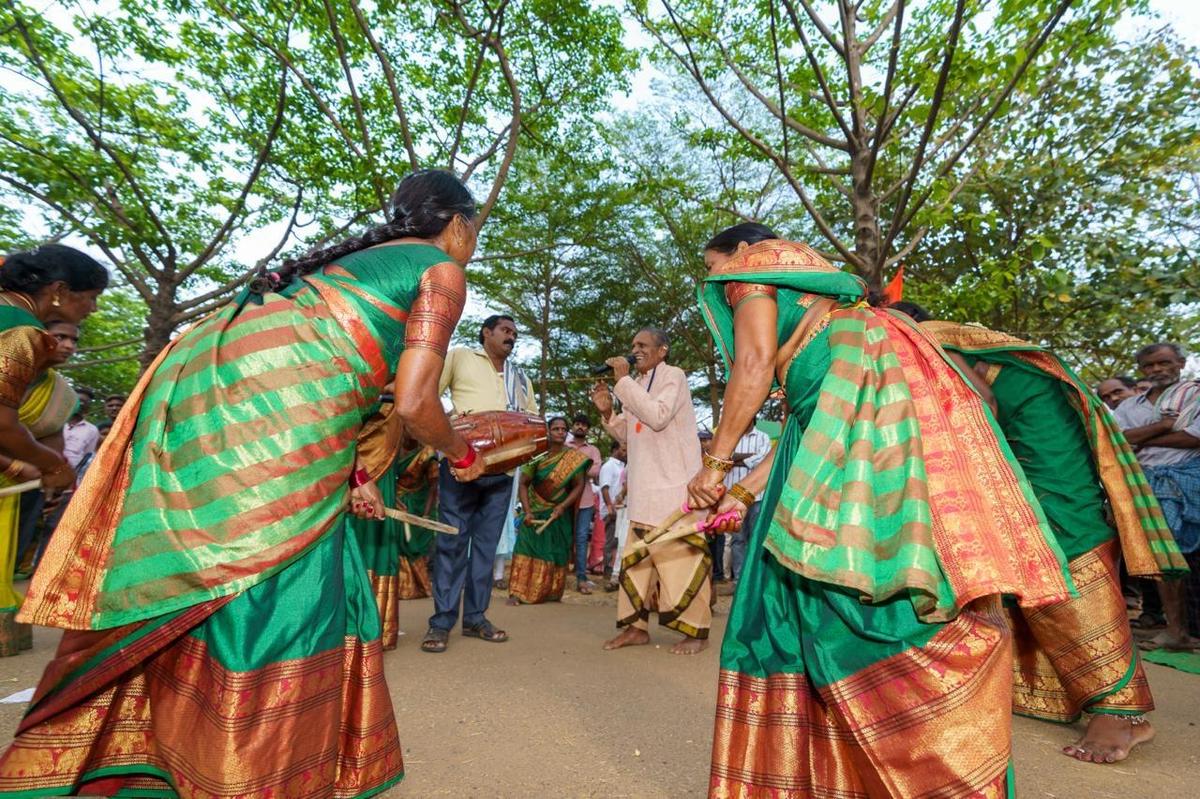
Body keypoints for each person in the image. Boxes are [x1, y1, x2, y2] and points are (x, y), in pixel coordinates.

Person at [0, 170, 486, 797]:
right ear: (458, 223)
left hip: (227, 418)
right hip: (287, 441)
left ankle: (154, 755)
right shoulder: (441, 270)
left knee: (204, 575)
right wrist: (463, 454)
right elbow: (417, 402)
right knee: (281, 583)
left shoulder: (341, 268)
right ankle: (254, 772)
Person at [692, 224, 1078, 797]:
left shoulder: (754, 271)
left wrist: (715, 463)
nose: (720, 280)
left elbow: (750, 368)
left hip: (852, 468)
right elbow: (811, 424)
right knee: (846, 608)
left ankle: (939, 764)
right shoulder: (846, 323)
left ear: (743, 252)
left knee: (830, 616)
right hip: (870, 452)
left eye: (716, 265)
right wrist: (743, 493)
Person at [909, 311, 1185, 763]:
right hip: (1032, 442)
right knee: (1024, 553)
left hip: (1041, 453)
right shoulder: (949, 335)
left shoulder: (923, 338)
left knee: (1060, 550)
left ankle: (1122, 713)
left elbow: (979, 405)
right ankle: (1051, 687)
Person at [0, 246, 102, 657]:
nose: (93, 308)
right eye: (90, 297)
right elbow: (2, 424)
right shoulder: (20, 332)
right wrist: (52, 465)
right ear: (59, 291)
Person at [592, 328, 710, 655]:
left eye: (643, 345)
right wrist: (607, 414)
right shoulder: (638, 384)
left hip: (674, 490)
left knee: (680, 562)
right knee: (636, 565)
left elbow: (657, 417)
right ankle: (635, 629)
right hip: (643, 491)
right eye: (632, 345)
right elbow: (631, 437)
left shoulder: (674, 376)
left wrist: (623, 382)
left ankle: (696, 633)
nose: (635, 350)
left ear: (663, 350)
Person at [427, 314, 537, 652]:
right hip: (461, 467)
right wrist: (450, 439)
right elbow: (430, 394)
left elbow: (531, 420)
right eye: (505, 330)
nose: (511, 337)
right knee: (451, 544)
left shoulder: (520, 378)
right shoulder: (460, 357)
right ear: (486, 333)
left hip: (501, 475)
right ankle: (442, 622)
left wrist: (521, 454)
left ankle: (475, 618)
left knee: (486, 550)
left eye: (515, 333)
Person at [1114, 343, 1200, 649]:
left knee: (1187, 554)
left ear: (1180, 362)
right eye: (1149, 366)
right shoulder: (1128, 407)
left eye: (1163, 363)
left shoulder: (1194, 395)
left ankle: (1184, 630)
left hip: (1188, 478)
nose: (1157, 370)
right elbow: (1119, 440)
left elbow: (1192, 439)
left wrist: (1142, 437)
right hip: (1145, 483)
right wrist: (1164, 426)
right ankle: (1176, 630)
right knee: (1164, 555)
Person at [350, 429, 439, 651]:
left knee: (398, 546)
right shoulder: (392, 445)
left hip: (411, 501)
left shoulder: (424, 453)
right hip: (382, 490)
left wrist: (425, 514)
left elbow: (434, 486)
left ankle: (376, 626)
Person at [13, 320, 84, 578]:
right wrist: (13, 466)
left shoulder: (61, 395)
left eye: (74, 340)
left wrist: (54, 479)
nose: (68, 346)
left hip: (24, 489)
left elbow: (52, 444)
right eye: (60, 337)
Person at [506, 417, 591, 604]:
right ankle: (517, 592)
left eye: (563, 429)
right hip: (534, 510)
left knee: (555, 550)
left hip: (559, 514)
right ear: (548, 431)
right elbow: (523, 484)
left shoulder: (573, 458)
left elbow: (579, 485)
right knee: (526, 547)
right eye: (556, 429)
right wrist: (527, 511)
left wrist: (562, 506)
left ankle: (549, 592)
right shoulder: (537, 454)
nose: (560, 432)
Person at [723, 419, 772, 583]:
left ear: (753, 418)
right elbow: (725, 459)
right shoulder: (731, 437)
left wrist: (737, 460)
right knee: (738, 540)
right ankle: (739, 579)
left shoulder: (763, 437)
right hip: (733, 498)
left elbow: (763, 461)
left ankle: (755, 580)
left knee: (757, 538)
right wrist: (749, 457)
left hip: (757, 497)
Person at [567, 414, 602, 593]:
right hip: (563, 499)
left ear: (588, 429)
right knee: (562, 536)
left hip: (586, 500)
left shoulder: (594, 450)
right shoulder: (564, 446)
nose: (580, 427)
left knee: (581, 539)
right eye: (577, 423)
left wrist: (574, 467)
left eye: (584, 425)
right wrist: (583, 467)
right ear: (572, 426)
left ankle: (581, 576)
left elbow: (595, 470)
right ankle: (556, 574)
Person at [598, 441, 626, 590]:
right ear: (615, 449)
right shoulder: (608, 466)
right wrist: (610, 506)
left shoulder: (623, 466)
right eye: (623, 449)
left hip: (621, 508)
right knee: (611, 540)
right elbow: (605, 488)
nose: (625, 452)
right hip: (612, 509)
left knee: (618, 540)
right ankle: (608, 570)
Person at [62, 386, 98, 470]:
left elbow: (87, 456)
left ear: (88, 407)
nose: (81, 404)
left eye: (85, 402)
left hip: (71, 473)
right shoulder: (56, 422)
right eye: (78, 400)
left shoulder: (92, 430)